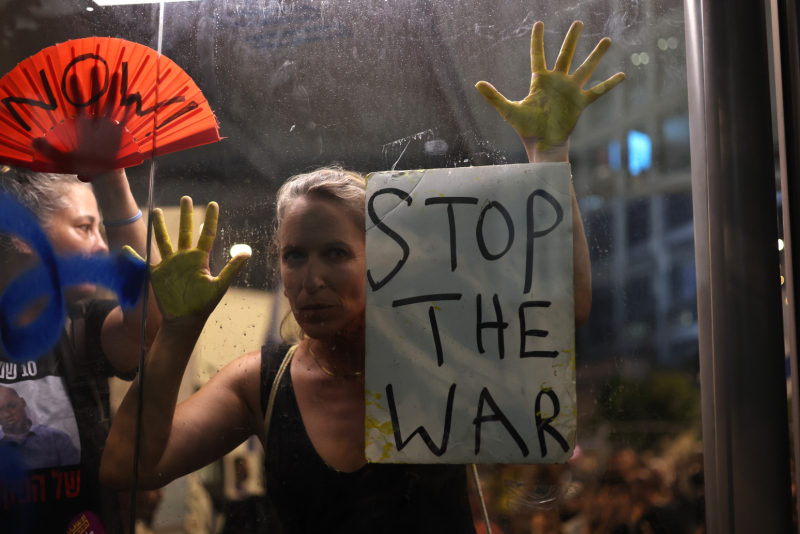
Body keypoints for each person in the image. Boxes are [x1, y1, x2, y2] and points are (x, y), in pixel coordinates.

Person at [100, 20, 624, 533]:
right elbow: (126, 469)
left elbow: (566, 307)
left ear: (381, 261)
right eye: (294, 256)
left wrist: (548, 154)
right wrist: (178, 329)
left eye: (335, 254)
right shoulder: (262, 383)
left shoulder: (437, 347)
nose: (311, 279)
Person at [0, 167, 161, 533]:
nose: (102, 246)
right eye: (85, 227)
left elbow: (152, 322)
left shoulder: (84, 327)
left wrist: (113, 179)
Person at [0, 384, 80, 469]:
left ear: (23, 402)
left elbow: (74, 473)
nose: (7, 414)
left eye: (11, 406)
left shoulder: (57, 438)